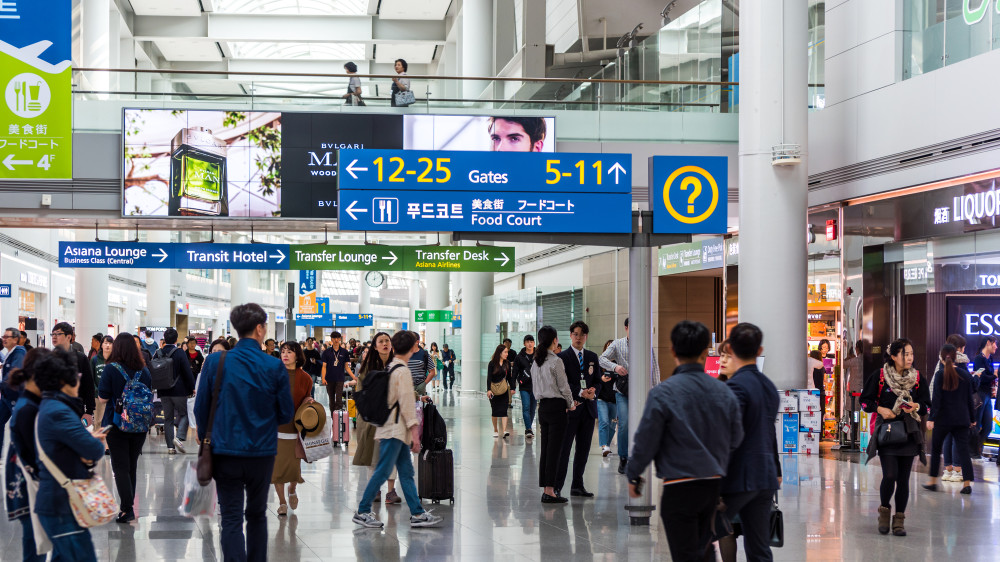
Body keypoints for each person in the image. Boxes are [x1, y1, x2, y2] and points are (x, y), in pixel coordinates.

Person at [626, 321, 743, 562]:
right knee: (703, 548)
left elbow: (646, 439)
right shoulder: (724, 391)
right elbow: (737, 437)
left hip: (678, 487)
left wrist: (634, 474)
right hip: (712, 486)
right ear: (704, 353)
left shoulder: (663, 393)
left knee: (686, 553)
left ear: (672, 351)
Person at [194, 303, 294, 562]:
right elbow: (285, 413)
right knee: (257, 515)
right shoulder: (273, 366)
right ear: (260, 329)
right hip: (261, 452)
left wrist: (206, 433)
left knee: (230, 516)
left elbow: (201, 406)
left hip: (224, 450)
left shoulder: (216, 361)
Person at [353, 330, 443, 529]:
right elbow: (406, 404)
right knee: (382, 471)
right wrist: (415, 435)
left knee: (406, 472)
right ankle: (362, 510)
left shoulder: (394, 367)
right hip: (394, 431)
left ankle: (418, 513)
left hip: (393, 430)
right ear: (412, 347)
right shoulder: (402, 371)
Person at [34, 347, 108, 562]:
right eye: (76, 376)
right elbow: (93, 450)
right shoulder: (60, 411)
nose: (79, 380)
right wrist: (94, 442)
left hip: (58, 501)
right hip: (61, 504)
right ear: (65, 379)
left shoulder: (50, 405)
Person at [717, 324, 780, 562]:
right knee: (759, 548)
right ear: (760, 349)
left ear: (731, 348)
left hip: (739, 480)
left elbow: (727, 438)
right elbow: (768, 433)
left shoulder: (735, 387)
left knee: (704, 533)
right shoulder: (769, 387)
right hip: (765, 480)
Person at [861, 337, 929, 537]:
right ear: (893, 356)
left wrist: (917, 406)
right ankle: (884, 511)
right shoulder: (880, 376)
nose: (909, 358)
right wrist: (880, 409)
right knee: (890, 475)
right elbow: (865, 402)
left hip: (909, 433)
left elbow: (927, 404)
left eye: (911, 354)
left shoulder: (917, 379)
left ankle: (899, 520)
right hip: (889, 434)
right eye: (905, 354)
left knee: (904, 479)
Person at [98, 333, 153, 524]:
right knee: (131, 466)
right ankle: (127, 508)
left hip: (117, 424)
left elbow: (103, 398)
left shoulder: (110, 369)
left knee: (119, 467)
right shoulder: (144, 371)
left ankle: (127, 509)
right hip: (140, 424)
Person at [600, 317, 660, 474]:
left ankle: (638, 457)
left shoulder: (646, 344)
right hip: (623, 391)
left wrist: (656, 390)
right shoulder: (617, 344)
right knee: (624, 424)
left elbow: (654, 368)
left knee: (641, 425)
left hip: (642, 390)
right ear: (626, 328)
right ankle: (624, 458)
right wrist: (615, 367)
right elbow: (602, 359)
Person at [5, 348, 47, 562]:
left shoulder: (30, 402)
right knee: (35, 545)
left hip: (26, 483)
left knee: (36, 542)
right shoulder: (28, 408)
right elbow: (35, 454)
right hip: (28, 487)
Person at [352, 332, 401, 504]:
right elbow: (360, 391)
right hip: (371, 418)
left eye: (387, 341)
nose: (385, 343)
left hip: (392, 417)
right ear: (375, 346)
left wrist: (417, 396)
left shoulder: (397, 365)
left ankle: (391, 491)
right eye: (381, 341)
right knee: (372, 456)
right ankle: (375, 490)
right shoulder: (367, 368)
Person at [555, 321, 600, 498]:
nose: (578, 337)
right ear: (570, 335)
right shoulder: (562, 358)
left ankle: (577, 485)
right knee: (564, 450)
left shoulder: (592, 356)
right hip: (571, 410)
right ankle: (557, 487)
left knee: (583, 450)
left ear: (586, 336)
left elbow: (597, 380)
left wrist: (594, 391)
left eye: (582, 334)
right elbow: (562, 383)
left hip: (588, 411)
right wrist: (581, 392)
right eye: (575, 334)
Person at [923, 344, 976, 495]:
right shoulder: (965, 375)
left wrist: (931, 418)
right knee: (964, 451)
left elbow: (937, 399)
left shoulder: (940, 374)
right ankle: (966, 484)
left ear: (941, 357)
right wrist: (972, 418)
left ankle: (933, 481)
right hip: (962, 419)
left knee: (936, 449)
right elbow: (969, 400)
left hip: (943, 420)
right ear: (955, 357)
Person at [531, 325, 574, 503]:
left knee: (546, 450)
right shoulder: (556, 361)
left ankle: (546, 489)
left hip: (543, 408)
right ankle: (550, 491)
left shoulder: (536, 362)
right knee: (555, 451)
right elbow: (564, 387)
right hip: (557, 408)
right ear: (555, 340)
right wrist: (571, 404)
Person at [273, 341, 315, 516]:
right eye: (283, 351)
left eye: (289, 352)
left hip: (296, 428)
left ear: (297, 356)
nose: (285, 354)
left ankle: (292, 489)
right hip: (275, 427)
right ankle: (282, 502)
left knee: (293, 468)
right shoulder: (274, 374)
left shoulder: (305, 378)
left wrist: (309, 402)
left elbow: (307, 399)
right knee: (276, 469)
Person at [933, 334, 970, 480]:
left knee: (948, 437)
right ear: (959, 348)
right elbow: (968, 385)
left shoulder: (942, 360)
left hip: (943, 405)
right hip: (957, 406)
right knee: (957, 438)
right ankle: (957, 469)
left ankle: (948, 469)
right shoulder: (960, 361)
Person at [158, 327, 196, 454]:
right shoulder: (179, 353)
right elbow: (187, 372)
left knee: (167, 419)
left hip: (163, 391)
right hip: (179, 390)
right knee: (184, 414)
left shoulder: (158, 352)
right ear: (176, 339)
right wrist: (192, 387)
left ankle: (170, 447)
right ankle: (179, 438)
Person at [50, 322, 96, 426]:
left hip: (75, 409)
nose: (54, 337)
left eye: (58, 334)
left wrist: (89, 411)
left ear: (69, 336)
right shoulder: (49, 358)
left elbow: (88, 386)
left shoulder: (80, 358)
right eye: (52, 334)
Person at [970, 335, 997, 460]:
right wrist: (995, 376)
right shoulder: (979, 359)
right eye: (994, 344)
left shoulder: (990, 358)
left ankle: (976, 449)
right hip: (980, 394)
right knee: (977, 424)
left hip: (987, 394)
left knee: (988, 426)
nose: (996, 347)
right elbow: (982, 376)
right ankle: (974, 452)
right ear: (988, 343)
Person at [1, 326, 26, 453]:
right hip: (7, 397)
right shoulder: (9, 353)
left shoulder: (19, 353)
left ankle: (22, 455)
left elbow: (14, 374)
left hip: (16, 397)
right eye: (3, 337)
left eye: (7, 337)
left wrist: (2, 384)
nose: (4, 339)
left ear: (15, 339)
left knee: (19, 427)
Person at [322, 332, 353, 412]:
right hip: (329, 379)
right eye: (334, 338)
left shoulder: (345, 352)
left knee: (339, 400)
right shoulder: (326, 352)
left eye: (338, 338)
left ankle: (338, 419)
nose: (336, 340)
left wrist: (354, 377)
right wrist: (323, 378)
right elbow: (324, 367)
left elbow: (347, 367)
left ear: (340, 339)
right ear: (331, 339)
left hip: (340, 379)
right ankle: (333, 419)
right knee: (331, 400)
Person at [513, 335, 537, 439]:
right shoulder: (519, 357)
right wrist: (513, 386)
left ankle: (529, 427)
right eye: (527, 342)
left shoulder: (538, 355)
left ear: (534, 343)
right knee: (526, 407)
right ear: (524, 344)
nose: (530, 344)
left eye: (531, 341)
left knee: (532, 409)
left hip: (536, 387)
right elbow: (515, 372)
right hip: (524, 387)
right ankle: (528, 429)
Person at [596, 339, 617, 456]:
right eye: (608, 347)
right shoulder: (599, 364)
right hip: (602, 398)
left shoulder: (619, 364)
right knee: (604, 421)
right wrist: (601, 379)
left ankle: (607, 445)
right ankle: (604, 446)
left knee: (612, 424)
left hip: (615, 399)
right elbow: (594, 379)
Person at [486, 344, 512, 439]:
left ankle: (504, 430)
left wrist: (512, 388)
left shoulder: (507, 363)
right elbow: (489, 378)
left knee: (504, 410)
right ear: (499, 353)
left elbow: (509, 377)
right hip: (493, 391)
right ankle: (495, 430)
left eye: (507, 352)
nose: (507, 354)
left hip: (504, 390)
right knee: (495, 411)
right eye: (505, 352)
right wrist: (488, 390)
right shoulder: (492, 363)